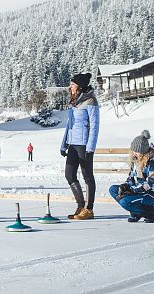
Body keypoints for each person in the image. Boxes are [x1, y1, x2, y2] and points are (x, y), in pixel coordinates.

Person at [60, 72, 100, 220]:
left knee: (87, 176)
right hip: (73, 143)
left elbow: (95, 126)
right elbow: (69, 125)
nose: (70, 87)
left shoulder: (90, 101)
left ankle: (89, 209)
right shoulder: (74, 102)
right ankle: (80, 205)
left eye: (73, 84)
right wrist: (64, 143)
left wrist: (91, 147)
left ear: (80, 86)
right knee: (69, 174)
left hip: (84, 144)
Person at [109, 130, 154, 223]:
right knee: (113, 189)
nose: (134, 153)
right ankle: (135, 212)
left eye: (136, 151)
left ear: (143, 151)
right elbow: (131, 177)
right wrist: (125, 185)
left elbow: (150, 184)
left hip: (150, 194)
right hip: (136, 191)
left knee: (124, 202)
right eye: (133, 150)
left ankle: (150, 212)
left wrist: (133, 191)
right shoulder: (136, 160)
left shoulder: (152, 163)